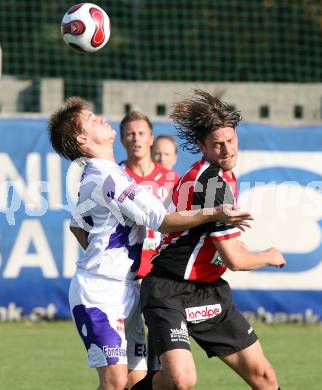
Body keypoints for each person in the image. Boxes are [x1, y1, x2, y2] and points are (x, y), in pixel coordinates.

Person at [47, 96, 253, 390]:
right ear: (82, 137)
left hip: (129, 287)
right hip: (100, 293)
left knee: (136, 380)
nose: (101, 118)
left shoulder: (107, 172)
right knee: (115, 381)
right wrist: (215, 213)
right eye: (92, 119)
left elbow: (78, 227)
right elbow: (162, 220)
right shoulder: (108, 178)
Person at [140, 90, 286, 390]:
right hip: (170, 290)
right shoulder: (211, 183)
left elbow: (216, 245)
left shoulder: (222, 175)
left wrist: (243, 249)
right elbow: (235, 260)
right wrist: (269, 255)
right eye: (217, 144)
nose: (227, 149)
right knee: (180, 380)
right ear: (202, 147)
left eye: (231, 140)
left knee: (265, 378)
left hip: (208, 292)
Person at [119, 111, 180, 279]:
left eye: (141, 133)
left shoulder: (172, 179)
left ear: (151, 139)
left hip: (163, 272)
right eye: (130, 134)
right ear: (122, 140)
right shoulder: (115, 178)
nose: (136, 138)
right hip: (126, 273)